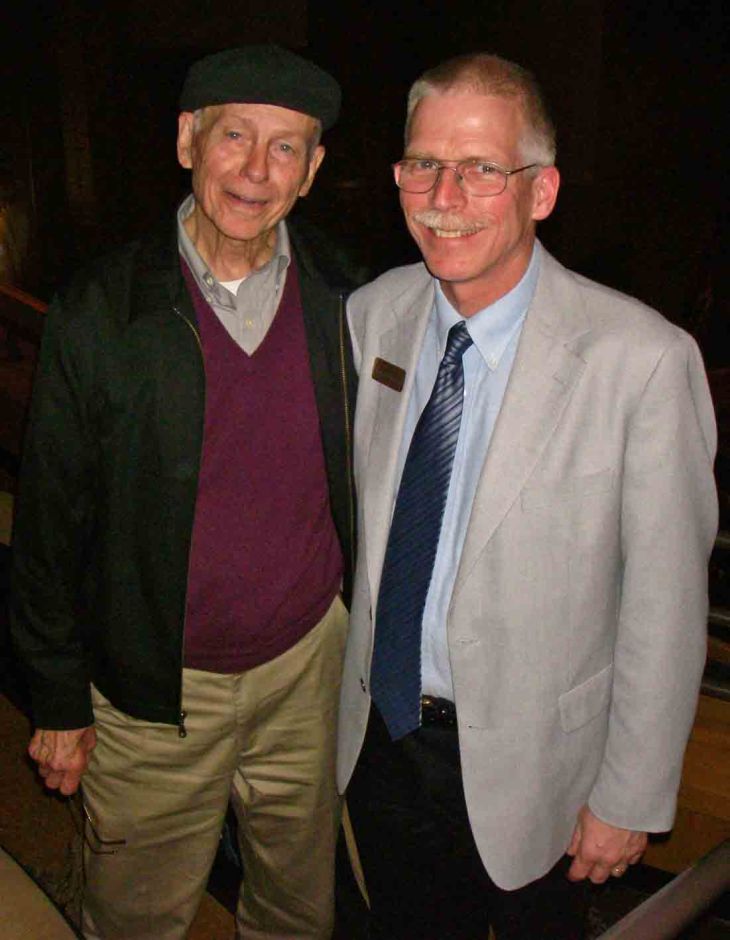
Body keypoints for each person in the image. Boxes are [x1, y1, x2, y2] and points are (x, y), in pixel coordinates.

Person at [336, 52, 717, 940]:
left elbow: (666, 608)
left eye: (480, 169)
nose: (445, 195)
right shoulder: (373, 316)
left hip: (539, 770)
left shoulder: (642, 361)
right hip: (379, 742)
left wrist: (629, 793)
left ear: (540, 191)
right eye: (424, 164)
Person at [12, 44, 357, 940]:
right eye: (233, 135)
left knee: (298, 910)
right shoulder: (102, 308)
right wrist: (55, 698)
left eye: (286, 148)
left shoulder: (349, 301)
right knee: (133, 916)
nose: (255, 169)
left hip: (304, 675)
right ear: (186, 141)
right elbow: (49, 520)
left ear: (313, 171)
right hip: (151, 692)